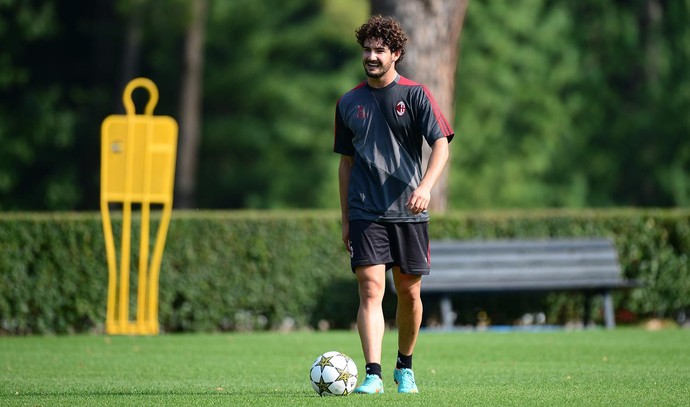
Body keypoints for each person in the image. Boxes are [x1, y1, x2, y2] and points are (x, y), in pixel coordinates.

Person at [334, 15, 454, 395]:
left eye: (379, 50)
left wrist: (426, 186)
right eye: (367, 49)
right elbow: (346, 163)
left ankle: (405, 366)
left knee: (409, 292)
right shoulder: (348, 102)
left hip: (409, 210)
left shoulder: (416, 95)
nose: (371, 56)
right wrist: (345, 218)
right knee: (371, 289)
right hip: (365, 211)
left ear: (396, 54)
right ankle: (372, 373)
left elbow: (441, 144)